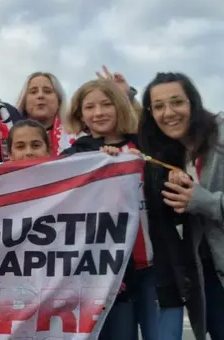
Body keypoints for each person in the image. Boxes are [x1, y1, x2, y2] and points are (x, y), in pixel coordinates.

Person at [138, 72, 224, 340]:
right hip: (208, 279)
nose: (169, 113)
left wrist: (203, 201)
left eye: (177, 102)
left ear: (194, 103)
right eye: (159, 106)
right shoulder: (172, 152)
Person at [62, 78, 155, 340]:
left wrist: (146, 167)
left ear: (119, 106)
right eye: (90, 107)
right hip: (109, 271)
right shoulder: (74, 156)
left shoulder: (145, 146)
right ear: (80, 114)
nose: (99, 112)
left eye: (106, 104)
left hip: (154, 265)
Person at [14, 72, 80, 155]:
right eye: (33, 92)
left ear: (59, 101)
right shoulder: (8, 136)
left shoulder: (78, 135)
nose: (40, 95)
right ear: (24, 101)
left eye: (47, 91)